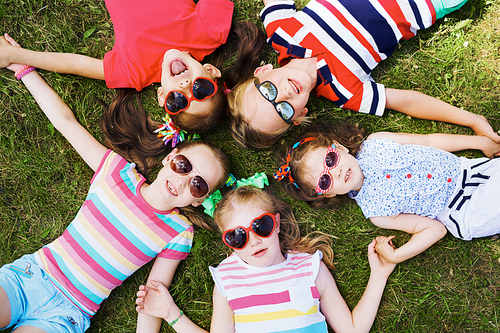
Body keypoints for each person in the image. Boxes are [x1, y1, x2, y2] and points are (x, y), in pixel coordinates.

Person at [0, 39, 230, 333]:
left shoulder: (179, 232)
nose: (183, 179)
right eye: (183, 166)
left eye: (198, 185)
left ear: (199, 201)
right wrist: (24, 69)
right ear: (170, 158)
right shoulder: (116, 171)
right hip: (32, 276)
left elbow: (153, 295)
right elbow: (66, 123)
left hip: (70, 312)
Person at [226, 0, 500, 148]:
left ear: (262, 71)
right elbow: (407, 102)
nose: (284, 95)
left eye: (268, 92)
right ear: (299, 115)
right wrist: (473, 120)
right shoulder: (344, 92)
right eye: (283, 110)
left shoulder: (280, 31)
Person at [135, 186, 396, 332]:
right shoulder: (227, 279)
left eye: (261, 226)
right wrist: (171, 314)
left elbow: (352, 330)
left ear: (277, 223)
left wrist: (379, 275)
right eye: (238, 237)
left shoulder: (309, 267)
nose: (254, 240)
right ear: (229, 244)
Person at [0, 0, 265, 133]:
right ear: (212, 72)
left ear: (162, 96)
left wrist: (15, 54)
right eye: (200, 88)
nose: (186, 86)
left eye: (177, 100)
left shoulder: (134, 72)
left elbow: (74, 62)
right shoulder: (210, 34)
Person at [275, 122, 500, 264]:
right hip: (464, 211)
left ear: (340, 148)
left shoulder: (376, 142)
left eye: (330, 159)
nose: (336, 171)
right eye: (325, 180)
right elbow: (434, 228)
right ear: (326, 195)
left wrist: (479, 141)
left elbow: (428, 141)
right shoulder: (376, 212)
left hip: (472, 169)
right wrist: (395, 256)